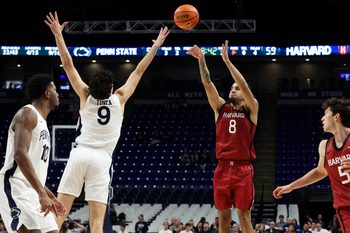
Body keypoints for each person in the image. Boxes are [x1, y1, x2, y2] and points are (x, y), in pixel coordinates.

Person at [45, 11, 169, 233]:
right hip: (102, 160)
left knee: (60, 214)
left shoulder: (85, 95)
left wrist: (58, 35)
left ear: (91, 88)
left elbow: (67, 63)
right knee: (96, 223)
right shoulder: (120, 98)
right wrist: (156, 45)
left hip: (80, 154)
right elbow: (139, 70)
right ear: (111, 88)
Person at [187, 40, 258, 233]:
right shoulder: (220, 107)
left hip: (243, 169)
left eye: (237, 88)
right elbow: (207, 83)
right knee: (223, 218)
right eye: (232, 88)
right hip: (222, 168)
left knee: (244, 217)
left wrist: (227, 61)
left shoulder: (251, 108)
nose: (233, 89)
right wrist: (201, 60)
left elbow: (243, 83)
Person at [273, 97, 350, 233]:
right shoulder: (324, 146)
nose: (322, 118)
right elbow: (320, 171)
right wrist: (291, 186)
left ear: (336, 116)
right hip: (345, 208)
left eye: (325, 114)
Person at [0, 74, 66, 232]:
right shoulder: (27, 114)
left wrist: (52, 197)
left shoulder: (43, 123)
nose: (58, 94)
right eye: (55, 90)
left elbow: (33, 171)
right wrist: (42, 194)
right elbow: (20, 155)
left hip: (34, 190)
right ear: (47, 93)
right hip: (15, 186)